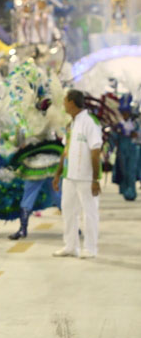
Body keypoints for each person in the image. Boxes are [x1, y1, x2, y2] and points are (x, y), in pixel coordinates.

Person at [53, 89, 103, 259]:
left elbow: (96, 151)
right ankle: (70, 246)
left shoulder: (90, 122)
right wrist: (58, 173)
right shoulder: (71, 124)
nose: (63, 104)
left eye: (65, 100)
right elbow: (65, 151)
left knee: (89, 213)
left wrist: (95, 179)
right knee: (68, 211)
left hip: (86, 177)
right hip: (70, 176)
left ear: (72, 102)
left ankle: (90, 248)